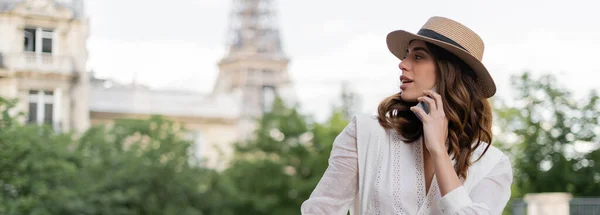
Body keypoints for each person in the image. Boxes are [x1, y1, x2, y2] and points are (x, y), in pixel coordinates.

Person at [300, 16, 513, 215]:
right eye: (406, 55)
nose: (402, 64)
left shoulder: (493, 164)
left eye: (418, 56)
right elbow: (320, 209)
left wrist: (438, 150)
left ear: (450, 71)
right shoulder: (365, 134)